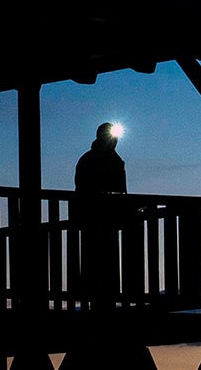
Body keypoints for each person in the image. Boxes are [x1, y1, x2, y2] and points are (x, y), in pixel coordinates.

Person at [73, 122, 127, 311]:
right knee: (96, 264)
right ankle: (99, 303)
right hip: (95, 220)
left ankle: (102, 302)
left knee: (106, 266)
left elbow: (121, 192)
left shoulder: (114, 160)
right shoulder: (91, 160)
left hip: (107, 222)